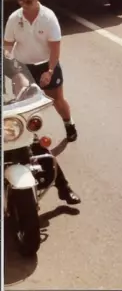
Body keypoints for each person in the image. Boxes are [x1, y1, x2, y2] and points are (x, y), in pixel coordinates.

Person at [3, 0, 78, 143]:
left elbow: (55, 48)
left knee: (56, 99)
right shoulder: (14, 19)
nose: (24, 5)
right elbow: (8, 45)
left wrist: (50, 71)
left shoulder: (48, 18)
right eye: (21, 1)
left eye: (28, 1)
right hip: (23, 67)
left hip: (46, 64)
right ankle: (29, 135)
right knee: (23, 104)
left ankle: (69, 124)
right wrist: (12, 69)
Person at [3, 53, 81, 205]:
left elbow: (17, 73)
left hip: (4, 115)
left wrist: (26, 89)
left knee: (36, 145)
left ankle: (64, 188)